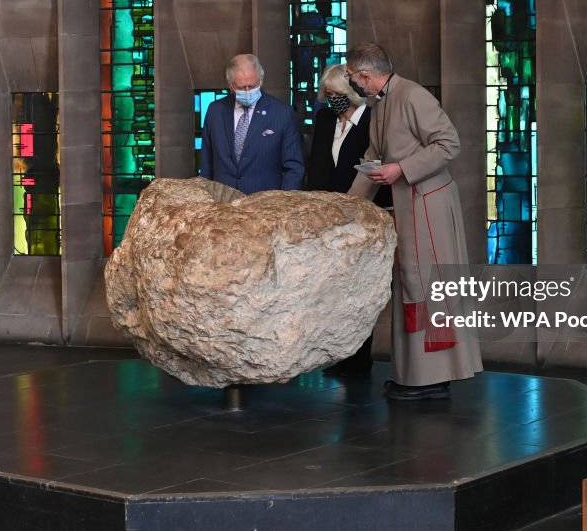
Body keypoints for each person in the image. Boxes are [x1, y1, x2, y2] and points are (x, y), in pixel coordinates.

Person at [345, 42, 482, 400]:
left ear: (365, 75)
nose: (353, 85)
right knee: (410, 284)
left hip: (429, 205)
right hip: (408, 207)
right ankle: (413, 374)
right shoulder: (380, 102)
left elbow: (449, 143)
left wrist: (402, 169)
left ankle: (434, 378)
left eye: (353, 79)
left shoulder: (412, 95)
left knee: (429, 286)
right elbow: (374, 157)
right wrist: (345, 208)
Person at [308, 64, 391, 379]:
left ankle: (361, 358)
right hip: (330, 216)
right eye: (327, 95)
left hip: (364, 215)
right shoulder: (325, 119)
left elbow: (374, 169)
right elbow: (317, 165)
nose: (333, 101)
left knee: (361, 287)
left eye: (338, 95)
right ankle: (345, 354)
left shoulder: (372, 122)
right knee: (338, 289)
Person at [201, 54, 304, 194]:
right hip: (222, 204)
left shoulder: (282, 113)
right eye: (242, 87)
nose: (248, 91)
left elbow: (293, 168)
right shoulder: (215, 111)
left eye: (253, 85)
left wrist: (284, 205)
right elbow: (207, 164)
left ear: (261, 80)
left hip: (266, 206)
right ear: (231, 84)